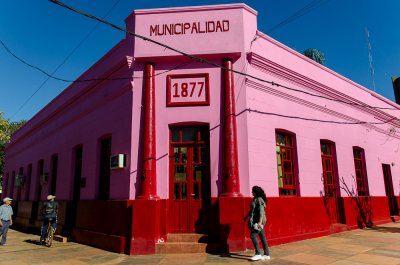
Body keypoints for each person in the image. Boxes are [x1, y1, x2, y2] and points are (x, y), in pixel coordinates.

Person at [248, 186, 270, 261]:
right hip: (256, 220)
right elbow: (253, 210)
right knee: (262, 236)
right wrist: (247, 216)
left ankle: (258, 254)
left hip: (259, 221)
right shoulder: (255, 199)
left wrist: (259, 222)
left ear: (256, 192)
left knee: (253, 236)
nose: (252, 192)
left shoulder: (259, 199)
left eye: (253, 191)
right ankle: (267, 254)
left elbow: (261, 211)